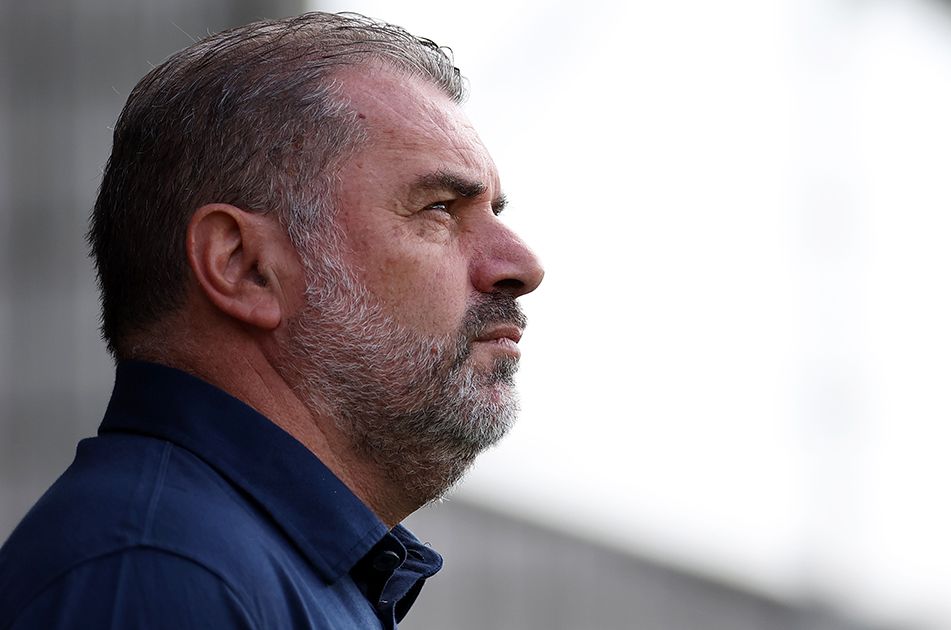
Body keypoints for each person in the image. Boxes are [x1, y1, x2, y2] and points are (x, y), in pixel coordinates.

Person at [0, 11, 543, 629]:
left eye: (494, 210)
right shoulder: (158, 576)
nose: (522, 265)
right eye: (440, 208)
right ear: (244, 267)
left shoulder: (239, 567)